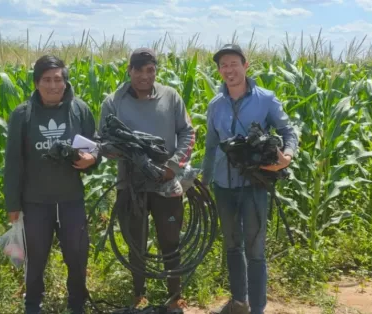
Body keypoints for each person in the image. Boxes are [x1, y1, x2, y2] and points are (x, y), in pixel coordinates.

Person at [201, 44, 298, 314]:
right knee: (232, 246)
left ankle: (258, 308)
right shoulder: (215, 105)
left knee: (255, 250)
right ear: (219, 71)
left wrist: (287, 155)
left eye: (233, 63)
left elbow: (288, 130)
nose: (228, 69)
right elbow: (210, 146)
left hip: (254, 185)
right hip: (224, 185)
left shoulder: (265, 99)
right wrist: (205, 182)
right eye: (223, 66)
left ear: (246, 65)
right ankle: (239, 302)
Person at [98, 48, 195, 311]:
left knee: (171, 240)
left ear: (156, 71)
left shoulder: (170, 97)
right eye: (138, 70)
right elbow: (102, 143)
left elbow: (188, 133)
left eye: (150, 70)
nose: (144, 75)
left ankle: (175, 296)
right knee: (135, 242)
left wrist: (172, 167)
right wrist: (128, 152)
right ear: (129, 70)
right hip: (130, 185)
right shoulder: (113, 101)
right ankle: (138, 295)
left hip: (166, 183)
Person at [3, 55, 101, 314]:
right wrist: (12, 203)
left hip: (71, 200)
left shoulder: (80, 110)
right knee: (35, 260)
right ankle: (33, 305)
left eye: (58, 79)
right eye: (46, 80)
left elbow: (95, 146)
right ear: (36, 83)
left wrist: (92, 159)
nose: (53, 86)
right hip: (35, 202)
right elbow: (13, 161)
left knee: (78, 256)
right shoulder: (23, 115)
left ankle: (76, 305)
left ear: (65, 82)